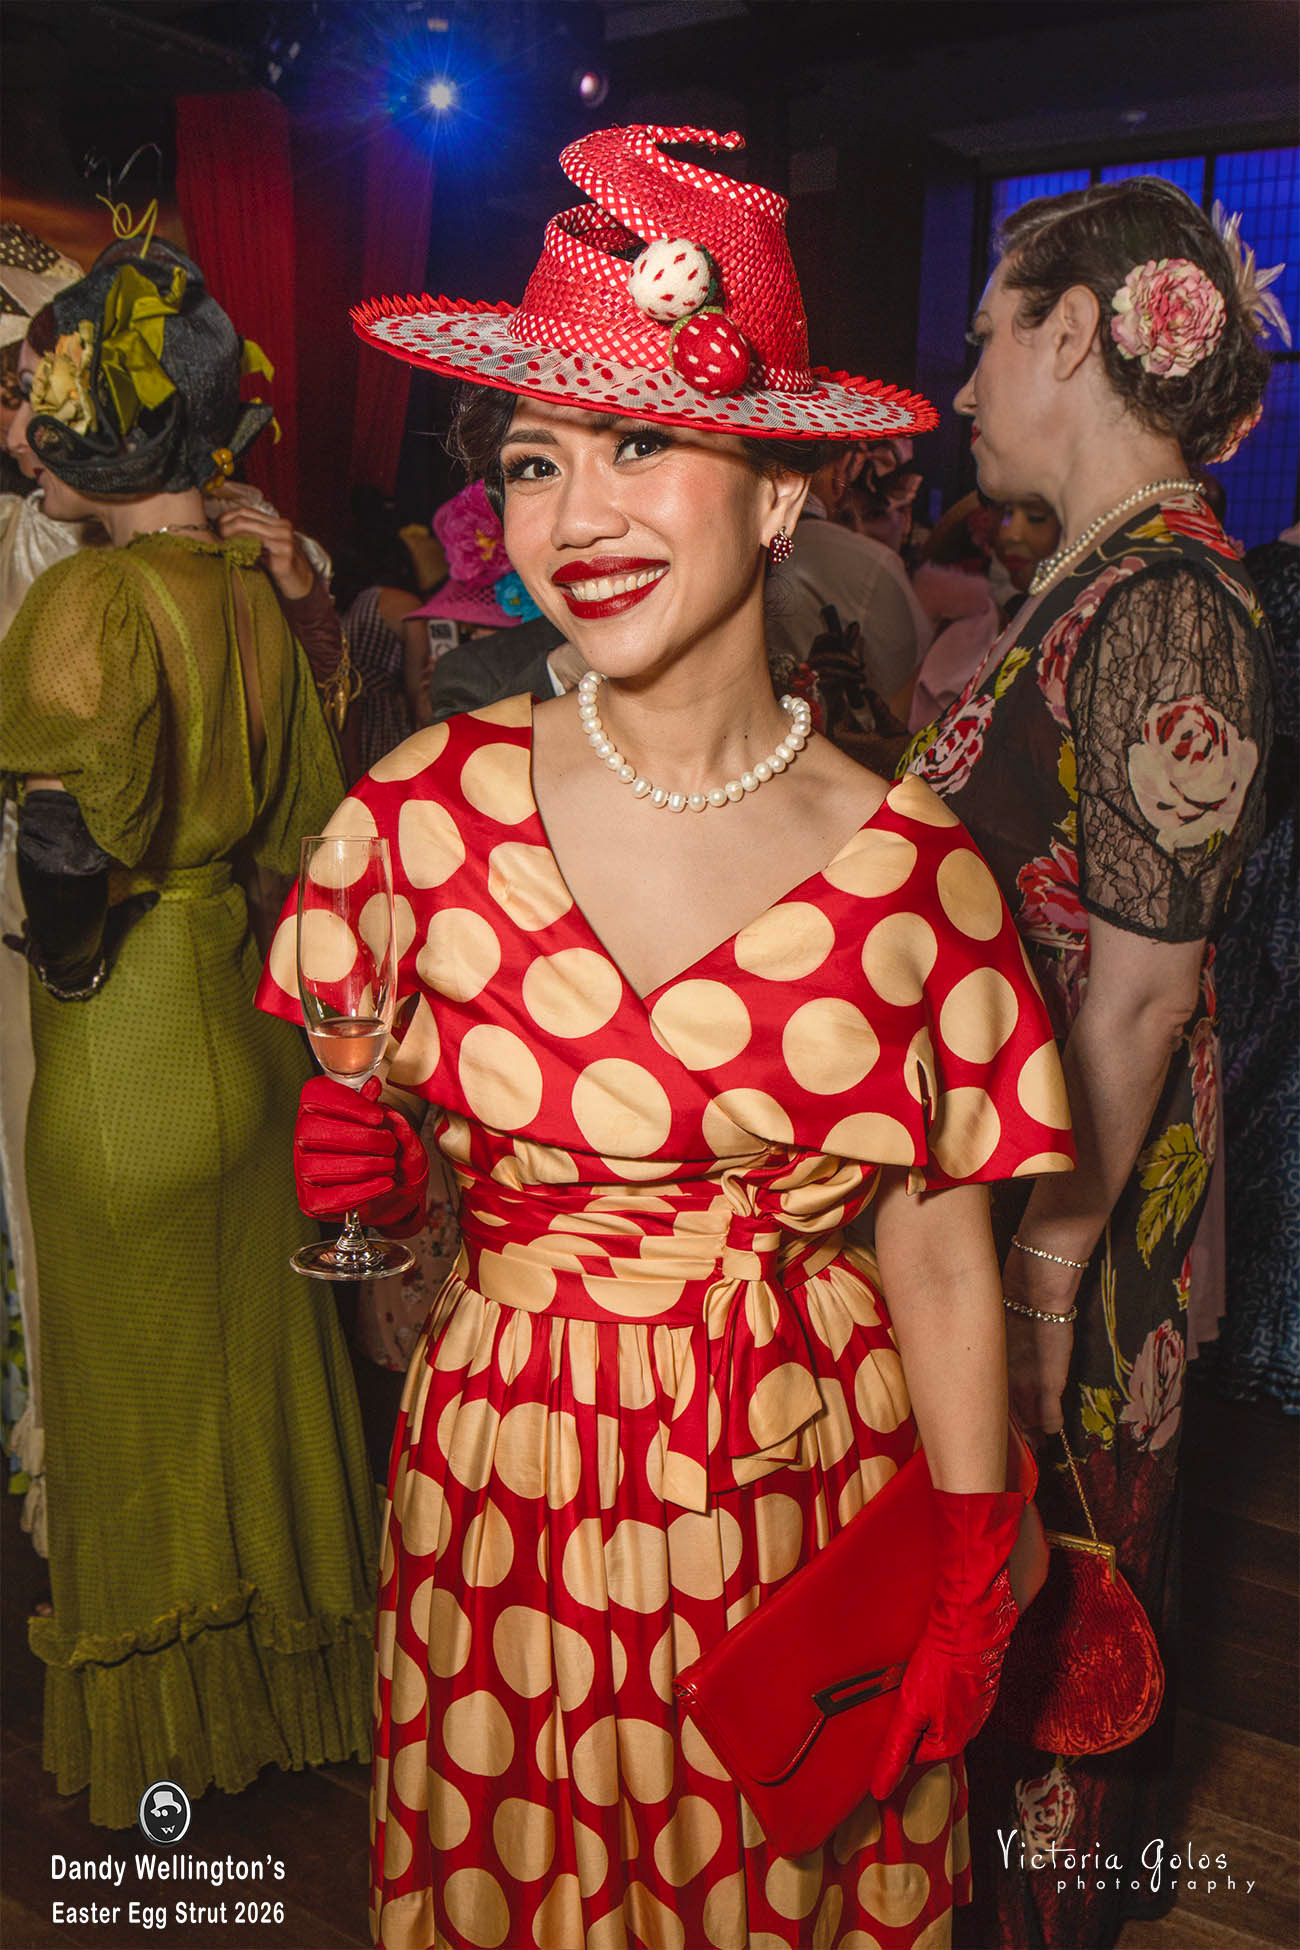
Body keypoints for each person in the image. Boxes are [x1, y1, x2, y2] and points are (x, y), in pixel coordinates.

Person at [263, 124, 1079, 1950]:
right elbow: (398, 1240)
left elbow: (939, 1253)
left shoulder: (913, 872)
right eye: (535, 461)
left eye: (642, 443)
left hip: (797, 1488)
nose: (577, 517)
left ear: (782, 493)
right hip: (503, 1479)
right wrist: (386, 1189)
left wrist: (969, 1548)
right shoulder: (417, 814)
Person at [904, 176, 1278, 1948]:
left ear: (1072, 332)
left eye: (988, 333)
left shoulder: (1173, 605)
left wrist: (1047, 1267)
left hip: (1084, 1213)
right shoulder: (1093, 581)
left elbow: (1137, 993)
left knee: (1071, 1615)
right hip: (1023, 1171)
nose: (965, 379)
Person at [0, 235, 379, 1828]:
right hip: (242, 1024)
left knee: (132, 1400)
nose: (26, 424)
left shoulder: (88, 594)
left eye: (44, 397)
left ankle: (166, 1739)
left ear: (101, 426)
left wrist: (63, 957)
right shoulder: (248, 592)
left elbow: (63, 847)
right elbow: (309, 833)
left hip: (125, 1044)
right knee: (253, 1383)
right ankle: (291, 1696)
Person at [765, 441, 935, 707]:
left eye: (875, 514)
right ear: (839, 472)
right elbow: (911, 699)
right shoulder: (871, 567)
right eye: (849, 516)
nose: (862, 529)